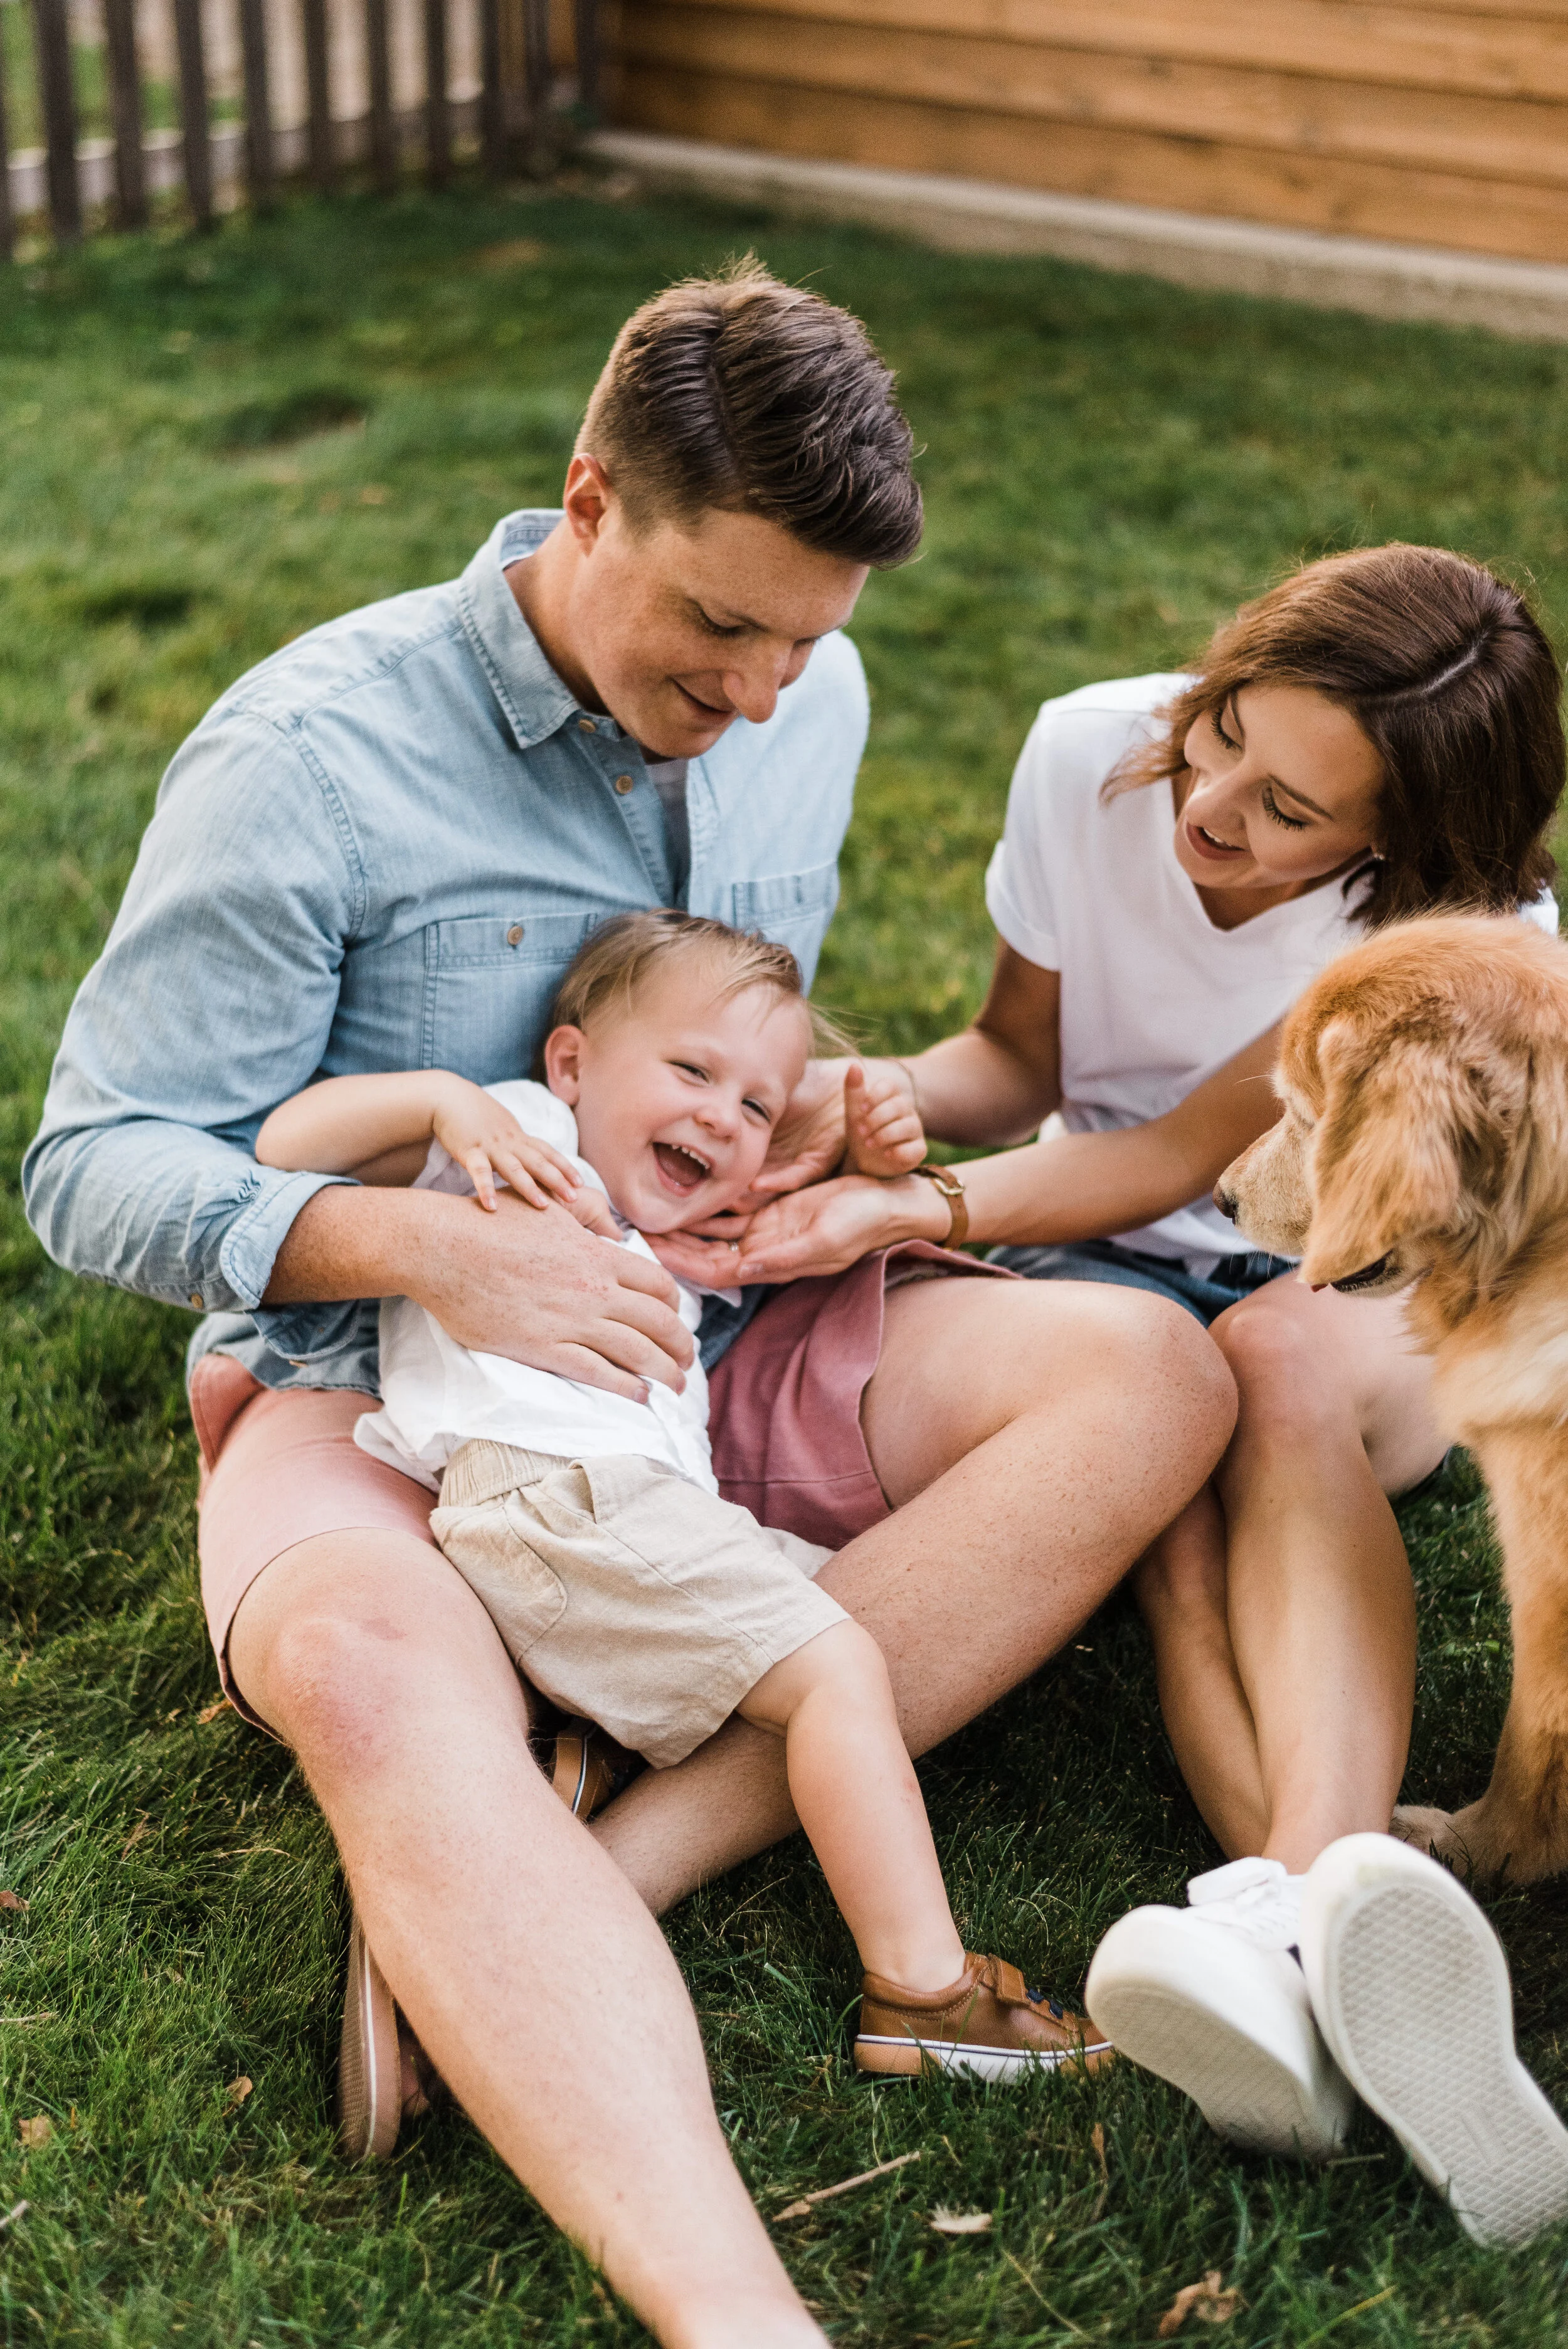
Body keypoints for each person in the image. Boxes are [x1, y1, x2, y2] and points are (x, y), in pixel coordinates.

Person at [23, 263, 1234, 2349]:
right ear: (587, 502)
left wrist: (810, 1114)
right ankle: (741, 2317)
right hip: (376, 1392)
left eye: (810, 641)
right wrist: (425, 1241)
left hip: (723, 1343)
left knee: (1155, 1371)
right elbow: (94, 1164)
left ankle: (575, 1875)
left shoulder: (806, 704)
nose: (769, 692)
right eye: (721, 629)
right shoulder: (309, 755)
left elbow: (724, 1022)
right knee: (384, 1695)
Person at [682, 545, 1564, 2174]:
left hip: (1351, 1276)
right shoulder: (1093, 750)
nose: (1212, 805)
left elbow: (1168, 1154)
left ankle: (1293, 1921)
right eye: (1227, 723)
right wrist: (859, 1103)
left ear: (1396, 838)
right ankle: (1326, 1970)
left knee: (1271, 1368)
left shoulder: (1459, 939)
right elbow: (1018, 1057)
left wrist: (916, 1204)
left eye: (1289, 808)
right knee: (1163, 1520)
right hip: (1111, 1252)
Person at [256, 909, 1111, 2102]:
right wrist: (445, 1101)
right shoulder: (526, 1136)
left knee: (877, 1612)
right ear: (572, 1065)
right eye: (693, 1072)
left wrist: (872, 1162)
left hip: (628, 1517)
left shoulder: (672, 1218)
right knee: (838, 1674)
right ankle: (923, 1994)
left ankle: (571, 1787)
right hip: (559, 1501)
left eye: (757, 1106)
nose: (724, 1116)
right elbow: (285, 1145)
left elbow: (787, 1225)